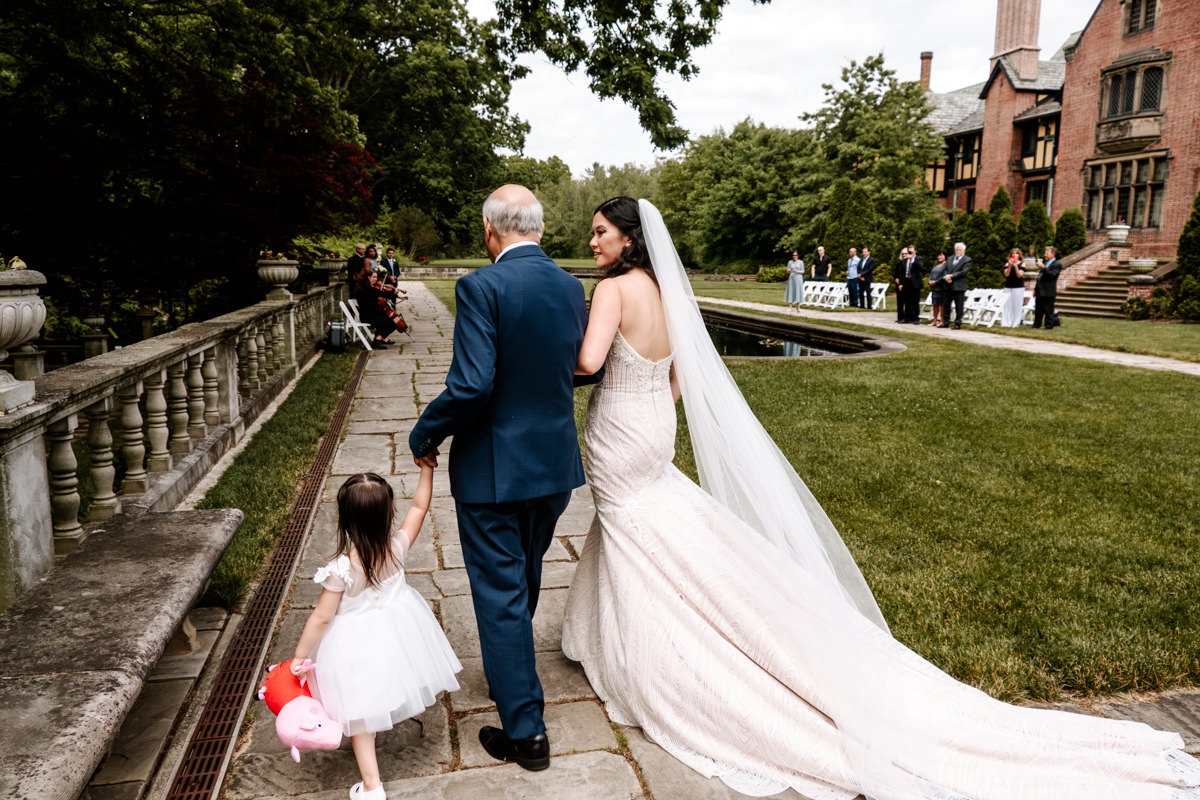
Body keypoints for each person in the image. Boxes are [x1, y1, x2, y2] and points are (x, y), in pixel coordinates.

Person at [563, 196, 1200, 800]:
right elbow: (684, 374)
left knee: (630, 528)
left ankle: (645, 660)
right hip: (651, 429)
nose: (593, 242)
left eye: (600, 232)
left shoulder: (615, 290)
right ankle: (594, 634)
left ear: (629, 238)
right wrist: (649, 405)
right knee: (644, 525)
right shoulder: (668, 292)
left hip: (619, 430)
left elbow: (590, 363)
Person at [408, 184, 602, 772]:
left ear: (490, 231)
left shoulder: (481, 285)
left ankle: (526, 733)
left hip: (496, 468)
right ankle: (510, 677)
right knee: (524, 575)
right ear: (538, 230)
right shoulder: (572, 287)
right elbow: (581, 367)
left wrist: (425, 433)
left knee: (499, 594)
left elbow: (471, 385)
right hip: (553, 466)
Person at [291, 469, 461, 800]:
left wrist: (301, 656)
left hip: (355, 646)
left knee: (359, 714)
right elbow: (420, 507)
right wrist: (426, 468)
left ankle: (372, 785)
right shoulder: (396, 547)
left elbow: (323, 617)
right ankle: (372, 779)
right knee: (388, 679)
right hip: (397, 631)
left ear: (343, 518)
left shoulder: (342, 568)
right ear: (389, 513)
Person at [352, 265, 399, 347]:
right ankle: (377, 340)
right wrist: (394, 292)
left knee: (388, 319)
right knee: (393, 324)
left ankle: (383, 339)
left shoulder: (361, 288)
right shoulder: (369, 289)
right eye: (373, 277)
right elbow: (384, 294)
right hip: (369, 316)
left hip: (368, 314)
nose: (376, 279)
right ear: (368, 278)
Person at [1033, 245, 1063, 329]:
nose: (1045, 254)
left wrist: (1043, 268)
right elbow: (1040, 277)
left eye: (1047, 253)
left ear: (1053, 254)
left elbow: (1052, 275)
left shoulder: (1057, 264)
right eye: (1045, 253)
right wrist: (1035, 289)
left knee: (1048, 310)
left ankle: (1049, 325)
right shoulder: (1046, 263)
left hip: (1048, 291)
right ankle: (1036, 324)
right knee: (1038, 310)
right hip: (1040, 290)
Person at [944, 241, 972, 329]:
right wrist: (946, 277)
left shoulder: (967, 260)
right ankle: (945, 322)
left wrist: (952, 276)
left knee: (959, 306)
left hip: (959, 286)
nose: (958, 251)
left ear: (964, 250)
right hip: (948, 285)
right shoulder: (950, 259)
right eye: (956, 249)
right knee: (946, 305)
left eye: (960, 249)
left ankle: (957, 323)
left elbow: (963, 272)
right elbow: (945, 269)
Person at [892, 246, 923, 324]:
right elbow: (902, 273)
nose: (909, 253)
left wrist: (912, 259)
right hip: (906, 282)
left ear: (915, 251)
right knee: (907, 300)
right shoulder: (904, 261)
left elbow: (920, 267)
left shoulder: (918, 259)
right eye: (909, 251)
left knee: (915, 301)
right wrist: (901, 284)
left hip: (915, 283)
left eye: (911, 252)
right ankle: (906, 318)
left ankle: (916, 318)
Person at [1002, 248, 1026, 327]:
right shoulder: (1007, 264)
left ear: (1019, 255)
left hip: (1018, 287)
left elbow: (1019, 275)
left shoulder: (1022, 264)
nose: (1015, 255)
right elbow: (1006, 274)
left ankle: (1015, 323)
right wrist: (1010, 265)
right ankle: (1006, 322)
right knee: (1007, 305)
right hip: (1008, 286)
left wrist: (1016, 266)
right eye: (1013, 253)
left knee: (1017, 305)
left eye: (1017, 253)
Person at [928, 250, 949, 328]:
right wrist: (929, 281)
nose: (939, 257)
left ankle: (942, 320)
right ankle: (934, 320)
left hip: (942, 287)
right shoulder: (936, 265)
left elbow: (944, 276)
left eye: (941, 255)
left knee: (941, 304)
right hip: (934, 288)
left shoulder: (946, 265)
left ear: (945, 256)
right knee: (935, 304)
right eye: (938, 255)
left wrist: (936, 282)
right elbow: (931, 274)